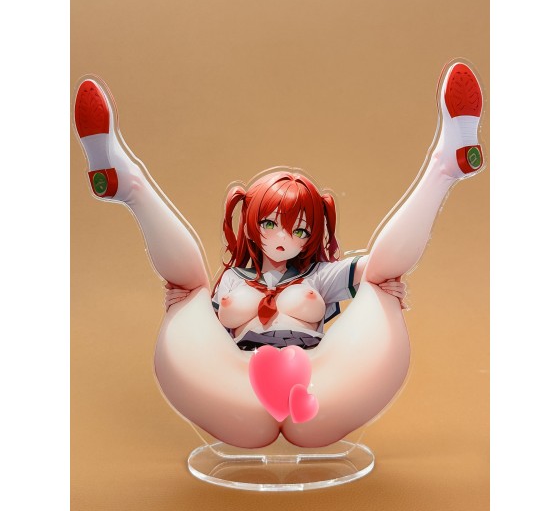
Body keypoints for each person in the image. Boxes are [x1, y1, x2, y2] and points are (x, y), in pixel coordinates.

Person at [73, 61, 484, 448]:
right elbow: (204, 327)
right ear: (251, 222)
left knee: (379, 279)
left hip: (321, 384)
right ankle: (131, 185)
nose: (284, 237)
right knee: (189, 287)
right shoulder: (233, 279)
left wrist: (385, 286)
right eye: (270, 223)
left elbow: (374, 268)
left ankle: (444, 168)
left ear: (312, 236)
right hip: (233, 385)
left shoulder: (317, 275)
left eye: (299, 229)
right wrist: (184, 307)